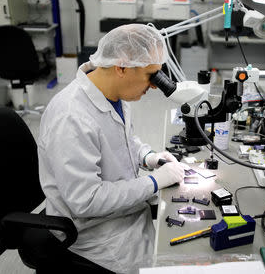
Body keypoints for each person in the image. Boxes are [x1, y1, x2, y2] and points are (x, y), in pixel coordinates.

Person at [38, 24, 186, 273]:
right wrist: (153, 182)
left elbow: (122, 138)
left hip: (122, 212)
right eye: (151, 76)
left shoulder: (112, 93)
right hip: (91, 232)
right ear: (121, 67)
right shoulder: (71, 117)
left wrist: (148, 157)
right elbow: (86, 201)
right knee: (172, 263)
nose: (153, 86)